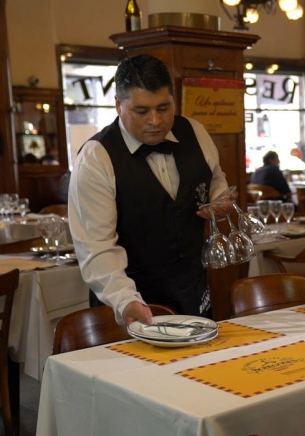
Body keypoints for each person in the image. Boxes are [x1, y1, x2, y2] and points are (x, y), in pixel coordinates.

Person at [68, 54, 234, 326]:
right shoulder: (96, 158)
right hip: (130, 297)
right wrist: (125, 300)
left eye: (164, 107)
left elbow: (215, 177)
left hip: (192, 287)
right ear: (118, 105)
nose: (155, 120)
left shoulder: (195, 131)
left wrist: (219, 198)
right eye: (142, 111)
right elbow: (95, 247)